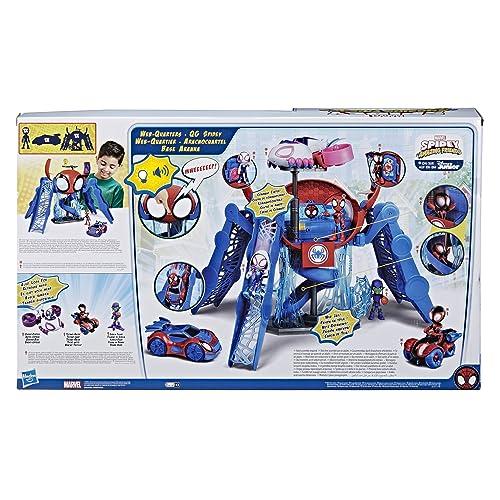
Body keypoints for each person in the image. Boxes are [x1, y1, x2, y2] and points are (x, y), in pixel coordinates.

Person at [88, 141, 125, 208]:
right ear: (97, 159)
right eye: (103, 164)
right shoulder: (85, 180)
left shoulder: (117, 188)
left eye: (112, 167)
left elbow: (117, 212)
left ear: (119, 166)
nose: (106, 169)